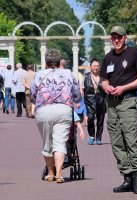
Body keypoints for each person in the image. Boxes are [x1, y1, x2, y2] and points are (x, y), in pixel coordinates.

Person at [100, 25, 137, 194]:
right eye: (113, 37)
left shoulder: (134, 53)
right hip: (111, 104)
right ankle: (126, 177)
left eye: (119, 37)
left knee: (130, 139)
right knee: (116, 141)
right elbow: (103, 79)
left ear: (125, 37)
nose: (116, 40)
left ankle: (136, 178)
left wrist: (124, 88)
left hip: (128, 101)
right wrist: (106, 86)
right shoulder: (108, 57)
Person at [30, 49, 81, 183]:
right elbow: (77, 94)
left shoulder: (39, 75)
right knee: (60, 142)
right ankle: (59, 173)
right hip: (63, 109)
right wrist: (75, 101)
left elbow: (33, 94)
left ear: (46, 62)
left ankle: (50, 173)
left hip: (44, 110)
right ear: (59, 62)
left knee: (47, 143)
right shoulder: (68, 73)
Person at [82, 58, 107, 145]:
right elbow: (82, 88)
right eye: (94, 66)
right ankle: (92, 135)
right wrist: (79, 100)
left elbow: (106, 88)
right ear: (90, 67)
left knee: (100, 120)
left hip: (101, 100)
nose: (96, 67)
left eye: (97, 66)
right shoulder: (86, 76)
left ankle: (99, 138)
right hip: (89, 101)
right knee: (91, 118)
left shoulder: (103, 77)